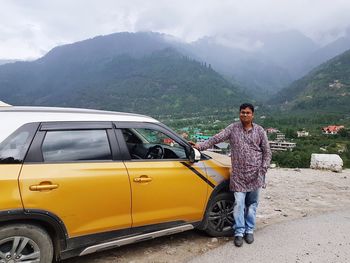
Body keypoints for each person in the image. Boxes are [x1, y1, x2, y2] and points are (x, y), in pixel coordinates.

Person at [193, 103, 271, 247]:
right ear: (239, 114)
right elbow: (216, 138)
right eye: (242, 112)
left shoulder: (259, 131)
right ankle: (239, 232)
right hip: (238, 175)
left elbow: (267, 152)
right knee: (238, 204)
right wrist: (199, 146)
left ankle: (249, 230)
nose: (245, 115)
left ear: (252, 115)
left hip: (256, 174)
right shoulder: (233, 128)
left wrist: (263, 170)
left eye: (247, 113)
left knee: (252, 204)